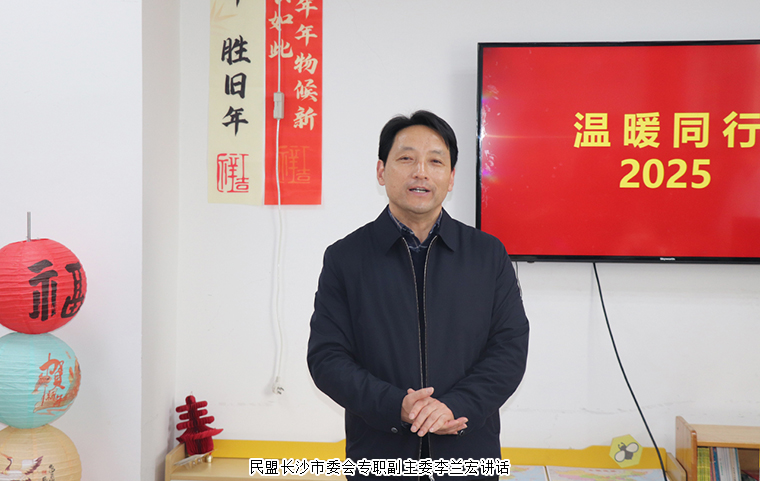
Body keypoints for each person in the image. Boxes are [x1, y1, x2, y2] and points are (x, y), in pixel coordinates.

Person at [307, 110, 529, 480]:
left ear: (451, 177)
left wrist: (454, 406)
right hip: (379, 459)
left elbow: (509, 350)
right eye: (406, 158)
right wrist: (397, 405)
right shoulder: (346, 257)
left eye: (435, 161)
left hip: (468, 457)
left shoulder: (488, 254)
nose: (421, 172)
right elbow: (327, 358)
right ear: (381, 171)